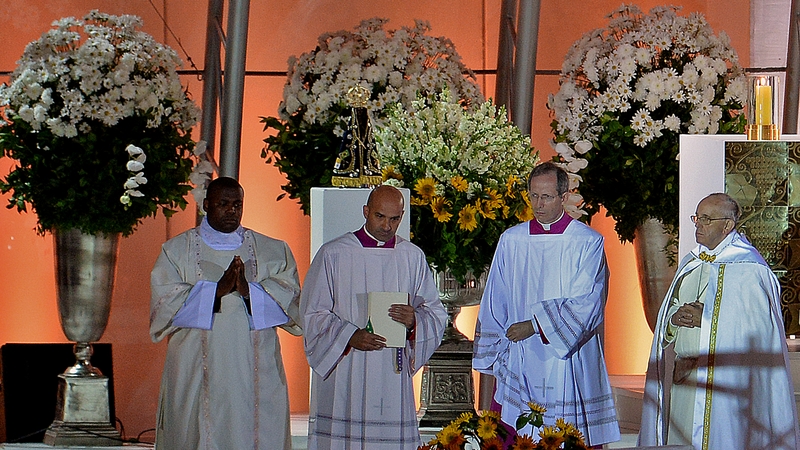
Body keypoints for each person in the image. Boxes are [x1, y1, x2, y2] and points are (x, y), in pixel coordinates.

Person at [473, 162, 620, 446]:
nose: (538, 205)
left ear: (564, 197)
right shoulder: (512, 240)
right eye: (533, 196)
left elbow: (588, 301)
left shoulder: (587, 242)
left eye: (546, 197)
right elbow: (496, 297)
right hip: (520, 354)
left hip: (567, 354)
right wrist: (495, 347)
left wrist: (535, 325)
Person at [150, 177, 302, 450]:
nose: (231, 210)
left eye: (237, 204)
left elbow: (291, 297)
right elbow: (165, 303)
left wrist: (248, 291)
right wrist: (215, 291)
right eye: (223, 204)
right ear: (206, 205)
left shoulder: (273, 250)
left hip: (254, 370)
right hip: (195, 366)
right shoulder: (176, 251)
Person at [639, 193, 799, 449]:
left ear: (727, 225)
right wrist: (673, 320)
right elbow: (667, 320)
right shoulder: (690, 263)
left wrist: (708, 318)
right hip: (686, 379)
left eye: (706, 219)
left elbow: (758, 332)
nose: (698, 225)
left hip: (726, 385)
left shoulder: (749, 269)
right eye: (697, 218)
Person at [301, 185, 447, 449]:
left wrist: (415, 321)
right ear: (366, 211)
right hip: (348, 365)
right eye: (380, 216)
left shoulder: (412, 257)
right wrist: (349, 335)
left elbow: (435, 312)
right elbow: (313, 312)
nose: (387, 226)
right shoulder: (333, 254)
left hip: (391, 371)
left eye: (395, 219)